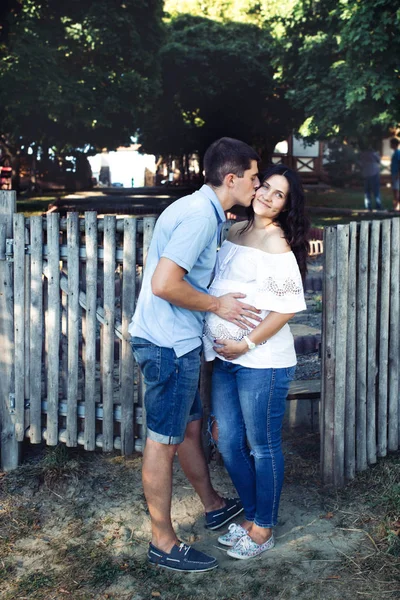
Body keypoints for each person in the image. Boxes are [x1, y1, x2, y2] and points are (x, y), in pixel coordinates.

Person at [129, 137, 261, 572]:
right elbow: (165, 283)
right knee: (163, 440)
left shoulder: (203, 211)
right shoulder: (199, 218)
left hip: (176, 341)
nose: (257, 186)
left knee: (188, 428)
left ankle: (212, 504)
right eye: (254, 177)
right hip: (168, 344)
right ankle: (163, 542)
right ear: (231, 178)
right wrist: (219, 305)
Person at [203, 163, 309, 560]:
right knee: (228, 441)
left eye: (278, 194)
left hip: (262, 361)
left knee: (262, 446)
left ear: (286, 206)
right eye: (265, 186)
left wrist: (245, 344)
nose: (266, 195)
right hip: (224, 358)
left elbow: (287, 310)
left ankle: (263, 528)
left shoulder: (276, 242)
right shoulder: (235, 229)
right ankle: (251, 518)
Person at [390, 138, 400, 211]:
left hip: (397, 174)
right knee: (395, 190)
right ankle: (395, 206)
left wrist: (398, 174)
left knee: (396, 190)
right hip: (394, 174)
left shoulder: (398, 153)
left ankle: (397, 206)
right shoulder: (395, 153)